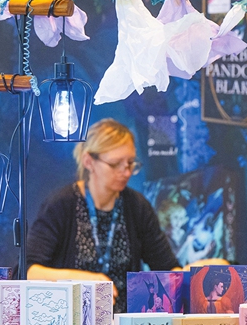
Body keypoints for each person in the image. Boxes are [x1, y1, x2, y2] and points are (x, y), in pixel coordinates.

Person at [26, 119, 180, 312]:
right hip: (72, 323)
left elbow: (166, 267)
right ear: (89, 161)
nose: (126, 172)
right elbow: (29, 271)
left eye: (131, 163)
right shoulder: (61, 205)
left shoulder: (137, 206)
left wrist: (196, 274)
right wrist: (83, 281)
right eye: (115, 164)